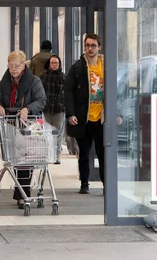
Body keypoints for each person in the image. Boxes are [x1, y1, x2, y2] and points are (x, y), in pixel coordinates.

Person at [0, 50, 47, 208]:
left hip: (27, 125)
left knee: (24, 160)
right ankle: (21, 193)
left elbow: (41, 100)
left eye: (16, 65)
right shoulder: (3, 83)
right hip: (9, 126)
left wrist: (27, 109)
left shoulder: (34, 81)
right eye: (10, 66)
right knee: (14, 160)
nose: (13, 69)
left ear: (24, 65)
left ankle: (23, 194)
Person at [66, 34, 108, 195]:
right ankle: (84, 183)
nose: (90, 49)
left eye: (93, 46)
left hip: (101, 118)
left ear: (99, 47)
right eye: (87, 46)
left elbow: (113, 91)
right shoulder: (77, 67)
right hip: (84, 118)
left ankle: (106, 185)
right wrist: (71, 113)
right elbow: (68, 92)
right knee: (83, 153)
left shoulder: (106, 66)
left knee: (103, 153)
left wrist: (115, 113)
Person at [40, 55, 66, 164]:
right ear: (49, 64)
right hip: (46, 108)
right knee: (46, 133)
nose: (54, 65)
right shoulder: (43, 76)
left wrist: (64, 104)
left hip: (59, 109)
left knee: (57, 133)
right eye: (52, 63)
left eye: (56, 63)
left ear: (59, 64)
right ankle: (48, 154)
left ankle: (56, 155)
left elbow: (67, 93)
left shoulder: (64, 77)